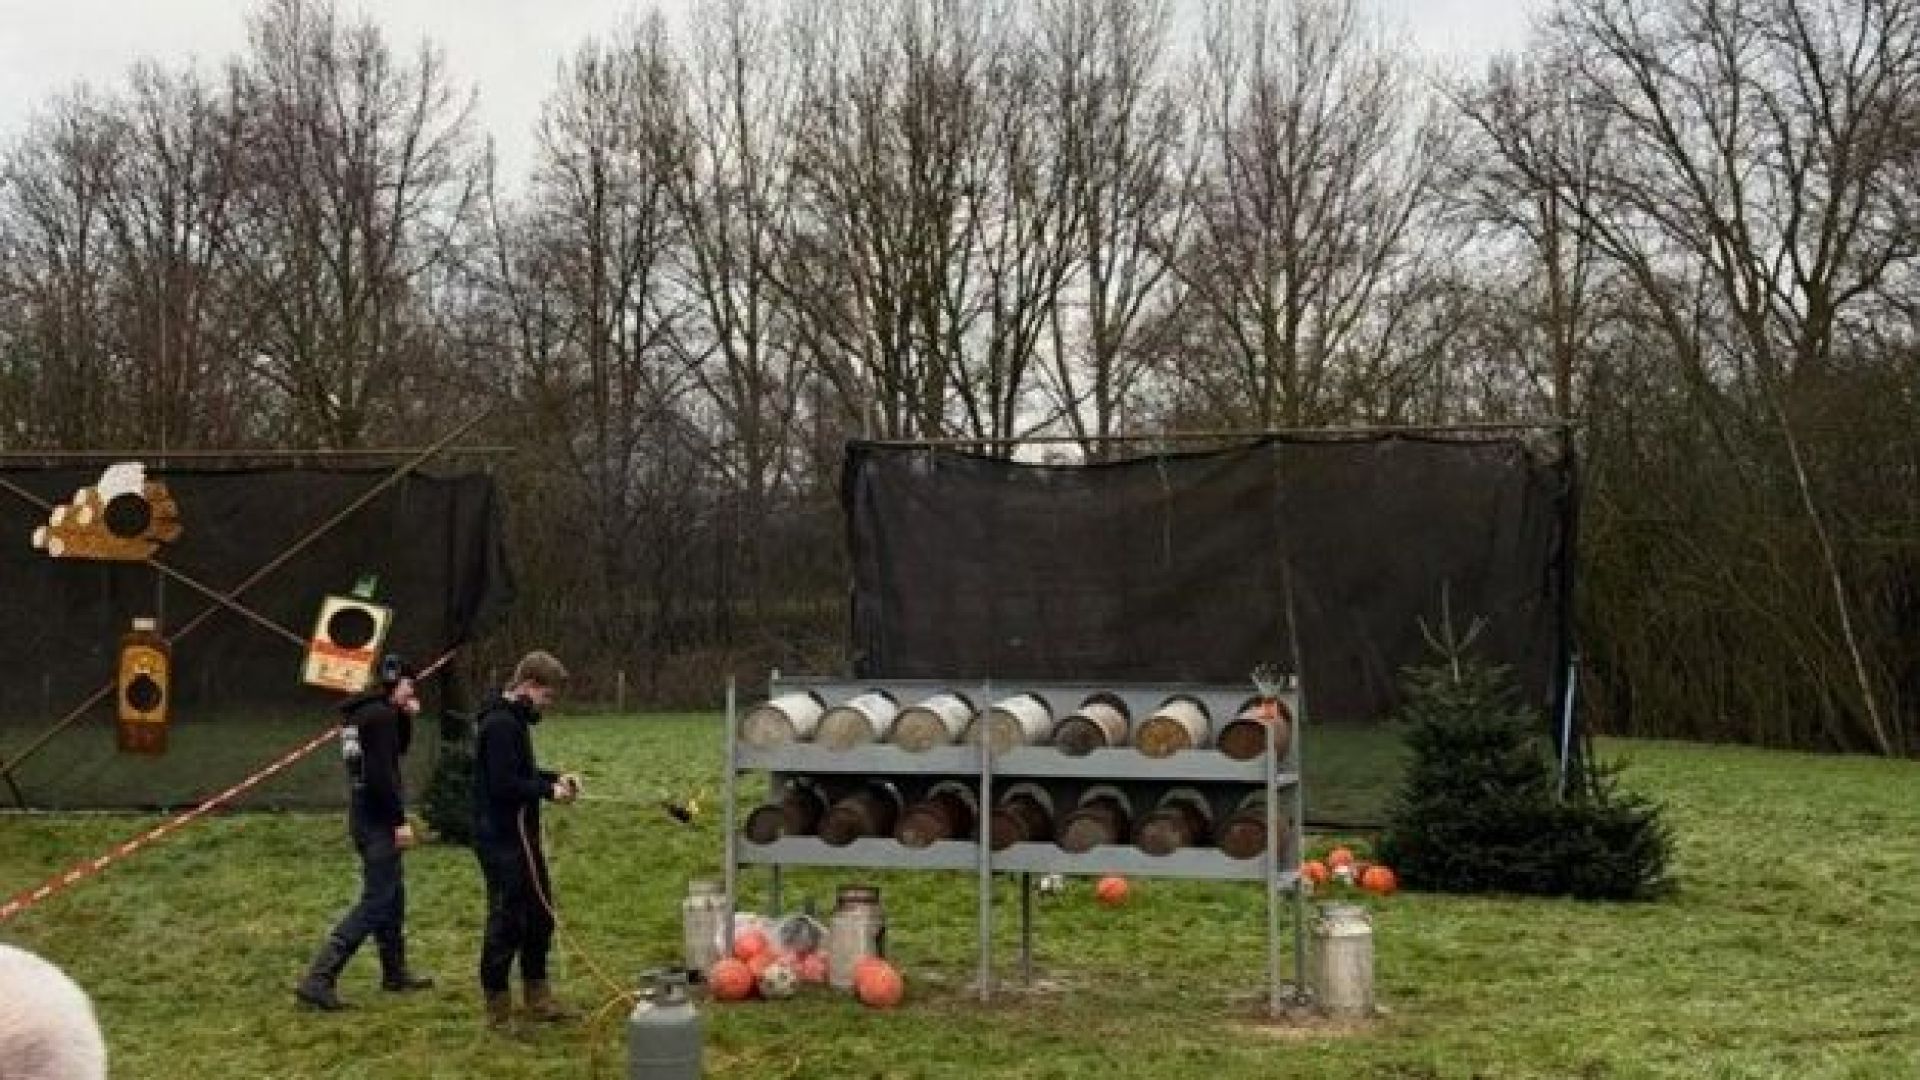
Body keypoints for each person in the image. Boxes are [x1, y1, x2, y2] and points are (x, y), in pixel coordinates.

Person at [295, 655, 435, 1010]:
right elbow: (382, 774)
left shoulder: (363, 714)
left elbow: (394, 752)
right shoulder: (381, 717)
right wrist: (399, 820)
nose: (412, 690)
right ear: (392, 682)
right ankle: (320, 977)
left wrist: (405, 715)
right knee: (376, 901)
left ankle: (394, 971)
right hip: (378, 820)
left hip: (362, 816)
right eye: (408, 685)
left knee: (393, 893)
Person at [471, 650, 580, 1030]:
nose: (547, 706)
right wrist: (547, 792)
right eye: (547, 697)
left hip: (522, 837)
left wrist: (554, 778)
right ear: (529, 686)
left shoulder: (514, 721)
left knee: (539, 916)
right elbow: (503, 785)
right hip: (500, 838)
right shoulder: (500, 724)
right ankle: (498, 1009)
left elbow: (522, 772)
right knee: (507, 921)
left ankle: (538, 997)